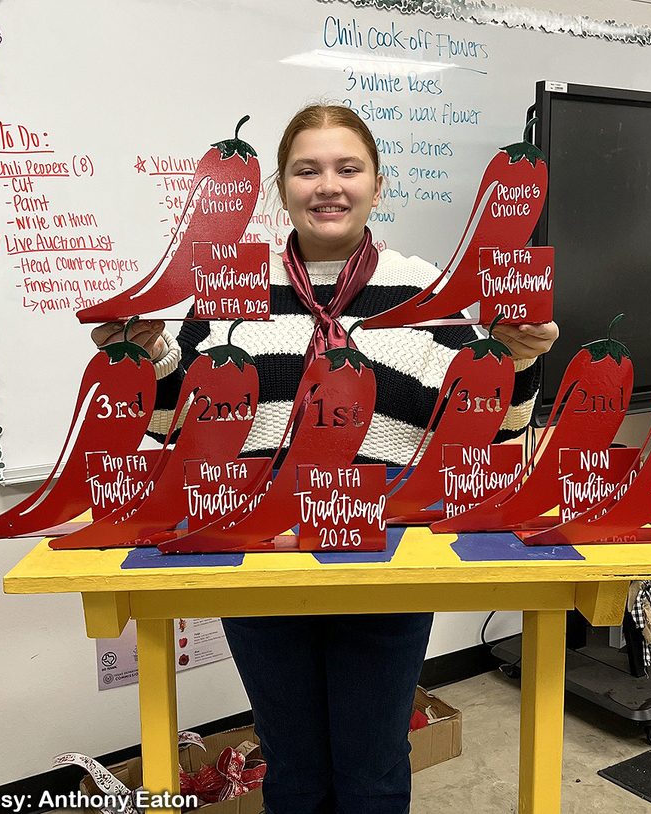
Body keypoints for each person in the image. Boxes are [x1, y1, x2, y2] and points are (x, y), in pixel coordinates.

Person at [93, 104, 558, 814]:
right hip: (257, 545)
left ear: (378, 184)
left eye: (348, 168)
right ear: (280, 188)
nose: (328, 185)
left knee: (374, 765)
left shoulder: (428, 290)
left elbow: (488, 433)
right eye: (307, 170)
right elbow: (172, 425)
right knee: (292, 764)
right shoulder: (230, 285)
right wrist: (147, 354)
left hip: (386, 552)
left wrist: (518, 361)